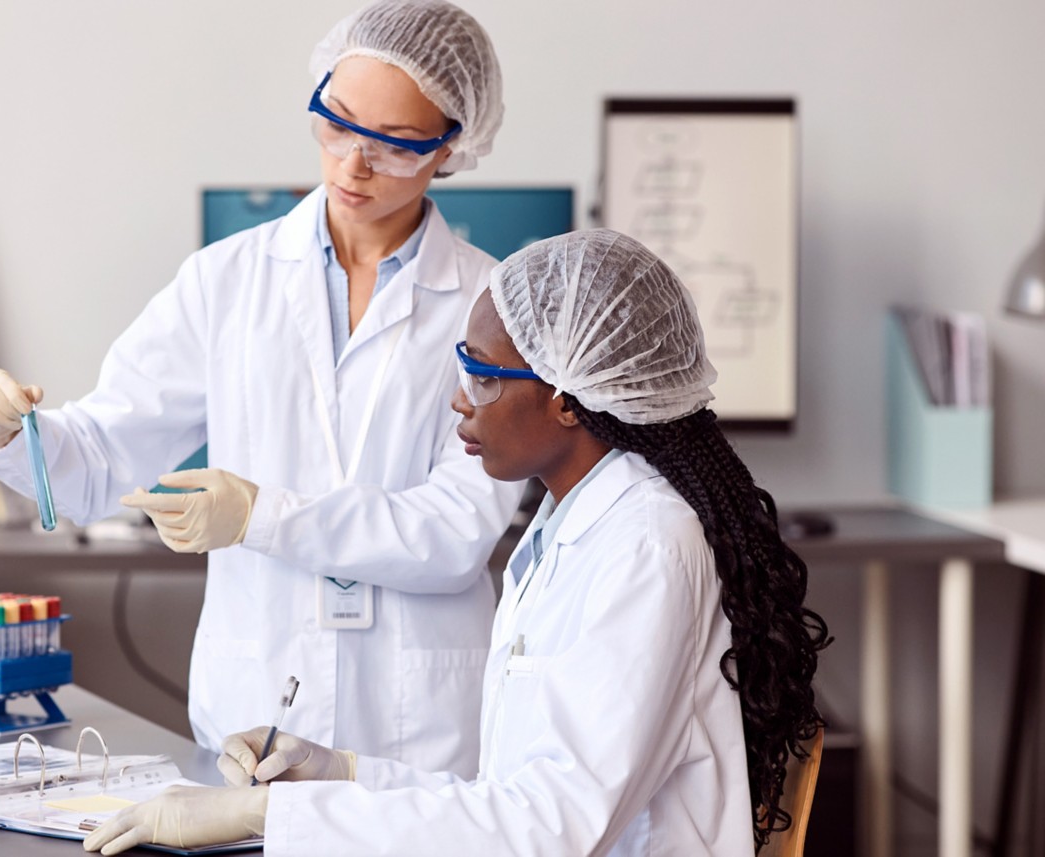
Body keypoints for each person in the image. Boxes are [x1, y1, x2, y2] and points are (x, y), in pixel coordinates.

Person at [81, 229, 832, 857]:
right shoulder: (569, 523)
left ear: (567, 399)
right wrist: (336, 772)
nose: (457, 398)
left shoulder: (646, 543)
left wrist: (267, 817)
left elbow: (549, 826)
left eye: (481, 373)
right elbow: (509, 800)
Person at [0, 0, 521, 777]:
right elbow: (98, 456)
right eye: (337, 123)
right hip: (255, 714)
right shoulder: (227, 283)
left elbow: (456, 532)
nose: (353, 164)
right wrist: (8, 432)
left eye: (391, 146)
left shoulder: (489, 306)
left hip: (414, 731)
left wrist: (263, 513)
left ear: (448, 149)